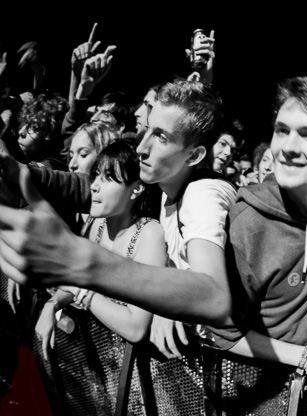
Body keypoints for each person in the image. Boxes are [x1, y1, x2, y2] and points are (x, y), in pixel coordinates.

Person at [0, 80, 236, 346]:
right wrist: (19, 172)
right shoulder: (164, 184)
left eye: (161, 137)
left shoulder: (203, 193)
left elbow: (214, 296)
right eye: (148, 130)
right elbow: (86, 187)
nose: (142, 147)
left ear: (194, 156)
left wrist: (84, 263)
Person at [207, 74, 307, 370]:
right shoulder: (250, 222)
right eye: (282, 130)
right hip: (268, 394)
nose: (287, 147)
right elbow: (224, 334)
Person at [35, 140, 165, 358]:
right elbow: (76, 280)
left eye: (108, 178)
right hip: (103, 360)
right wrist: (53, 304)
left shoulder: (150, 234)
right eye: (95, 175)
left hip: (141, 368)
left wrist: (83, 292)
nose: (94, 185)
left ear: (136, 189)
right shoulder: (97, 222)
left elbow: (136, 328)